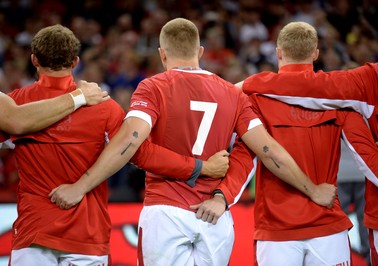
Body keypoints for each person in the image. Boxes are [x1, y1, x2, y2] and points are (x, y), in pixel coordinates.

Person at [49, 18, 336, 266]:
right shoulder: (233, 94)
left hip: (166, 211)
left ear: (162, 54)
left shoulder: (153, 86)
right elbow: (268, 150)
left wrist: (80, 187)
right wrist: (311, 189)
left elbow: (130, 141)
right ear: (199, 51)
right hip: (214, 216)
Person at [6, 23, 229, 266]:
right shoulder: (103, 107)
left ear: (34, 60)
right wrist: (198, 167)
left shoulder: (16, 107)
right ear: (75, 62)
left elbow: (17, 121)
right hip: (88, 237)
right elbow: (140, 153)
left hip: (34, 232)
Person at [195, 21, 378, 265]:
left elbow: (244, 158)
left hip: (277, 231)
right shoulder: (340, 104)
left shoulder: (256, 101)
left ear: (278, 52)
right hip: (328, 228)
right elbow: (372, 161)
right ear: (315, 54)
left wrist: (223, 196)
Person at [0, 80, 109, 136]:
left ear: (34, 60)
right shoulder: (105, 105)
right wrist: (79, 96)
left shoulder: (18, 97)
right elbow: (16, 121)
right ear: (75, 62)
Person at [337, 139, 370, 263]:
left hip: (339, 171)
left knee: (337, 221)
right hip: (365, 170)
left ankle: (337, 258)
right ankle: (370, 258)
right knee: (366, 219)